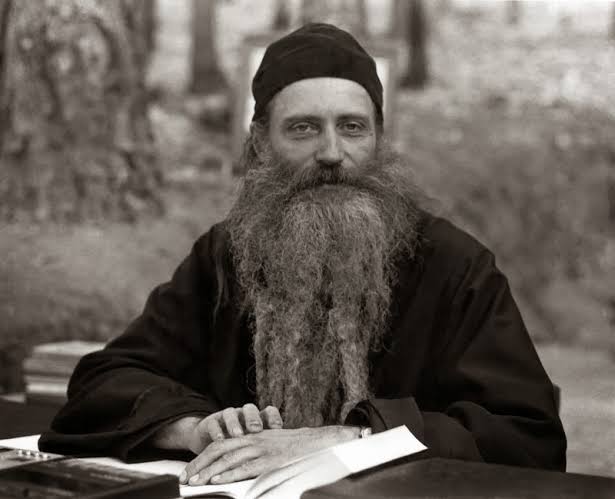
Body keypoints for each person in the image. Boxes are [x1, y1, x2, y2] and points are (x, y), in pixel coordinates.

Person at [39, 23, 566, 486]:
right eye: (303, 128)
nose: (332, 153)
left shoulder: (455, 266)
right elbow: (104, 383)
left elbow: (525, 436)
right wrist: (193, 428)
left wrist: (353, 439)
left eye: (352, 127)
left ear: (379, 138)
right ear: (259, 141)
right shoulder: (225, 256)